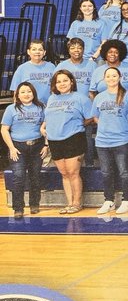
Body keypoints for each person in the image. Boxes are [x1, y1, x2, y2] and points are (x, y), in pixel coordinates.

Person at [43, 70, 92, 213]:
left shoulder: (80, 98)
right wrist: (43, 127)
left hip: (73, 139)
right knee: (64, 173)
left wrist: (78, 125)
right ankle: (69, 203)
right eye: (58, 81)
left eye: (65, 80)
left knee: (73, 172)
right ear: (54, 85)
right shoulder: (51, 99)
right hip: (54, 140)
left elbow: (90, 117)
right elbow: (49, 118)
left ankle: (77, 203)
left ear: (71, 81)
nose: (62, 84)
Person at [92, 66, 128, 215]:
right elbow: (96, 117)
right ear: (104, 79)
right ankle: (109, 201)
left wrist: (124, 127)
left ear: (119, 78)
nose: (111, 79)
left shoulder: (127, 96)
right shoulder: (99, 97)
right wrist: (107, 127)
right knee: (106, 173)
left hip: (122, 140)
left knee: (124, 172)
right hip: (102, 141)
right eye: (108, 76)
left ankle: (127, 200)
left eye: (114, 76)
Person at [2, 82, 46, 218]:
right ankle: (18, 208)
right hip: (18, 148)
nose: (26, 94)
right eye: (23, 92)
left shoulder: (41, 107)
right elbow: (4, 130)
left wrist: (46, 145)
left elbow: (46, 127)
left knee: (35, 177)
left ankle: (34, 205)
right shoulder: (11, 109)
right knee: (18, 177)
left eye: (29, 91)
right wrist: (11, 148)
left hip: (37, 146)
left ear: (33, 93)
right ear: (18, 95)